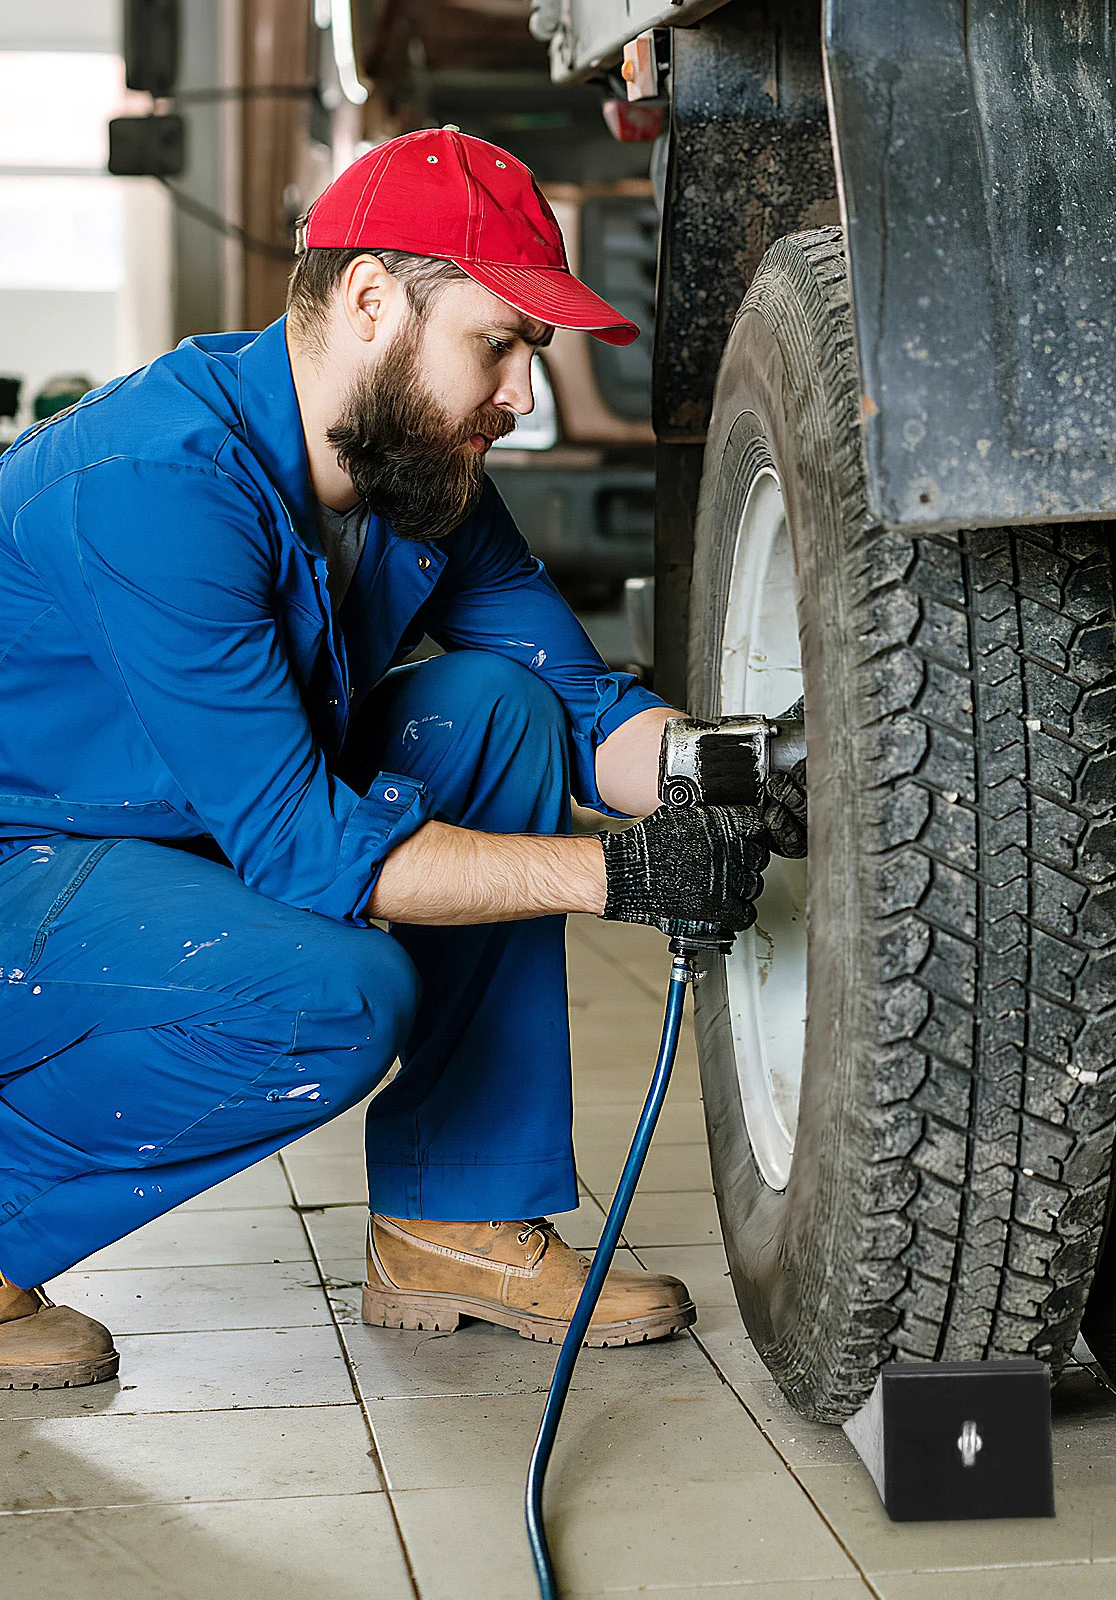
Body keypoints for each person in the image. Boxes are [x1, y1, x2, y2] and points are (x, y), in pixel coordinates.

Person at [0, 128, 803, 1390]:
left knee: (491, 709)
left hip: (178, 829)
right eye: (499, 343)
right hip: (27, 858)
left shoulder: (414, 477)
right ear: (371, 299)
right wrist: (622, 879)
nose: (522, 395)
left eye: (532, 355)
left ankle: (451, 1218)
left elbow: (582, 707)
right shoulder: (158, 481)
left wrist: (757, 771)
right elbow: (312, 852)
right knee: (331, 995)